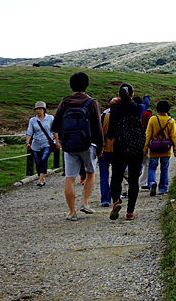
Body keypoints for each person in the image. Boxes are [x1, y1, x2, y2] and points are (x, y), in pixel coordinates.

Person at [50, 72, 104, 221]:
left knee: (70, 178)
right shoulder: (91, 103)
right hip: (88, 145)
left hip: (69, 146)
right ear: (86, 85)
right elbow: (98, 128)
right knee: (90, 173)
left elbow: (54, 125)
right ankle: (85, 203)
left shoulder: (65, 102)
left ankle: (71, 211)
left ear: (71, 85)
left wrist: (64, 136)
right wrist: (100, 147)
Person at [107, 83, 145, 221]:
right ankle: (130, 212)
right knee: (134, 179)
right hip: (136, 148)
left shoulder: (115, 109)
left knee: (116, 176)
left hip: (120, 147)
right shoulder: (138, 108)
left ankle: (116, 200)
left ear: (118, 95)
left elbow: (110, 134)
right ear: (132, 94)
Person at [144, 100, 176, 196]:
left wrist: (145, 148)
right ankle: (163, 188)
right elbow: (173, 136)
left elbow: (148, 135)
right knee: (164, 168)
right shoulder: (171, 121)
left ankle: (151, 183)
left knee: (152, 167)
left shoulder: (152, 119)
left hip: (154, 149)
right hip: (166, 149)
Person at [25, 101, 56, 187]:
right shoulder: (32, 120)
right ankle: (41, 175)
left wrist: (57, 141)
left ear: (44, 110)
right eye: (36, 109)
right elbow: (29, 132)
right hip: (36, 144)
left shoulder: (50, 118)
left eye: (40, 109)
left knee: (43, 159)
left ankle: (41, 179)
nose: (38, 111)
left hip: (47, 143)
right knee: (38, 162)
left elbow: (54, 130)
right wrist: (28, 142)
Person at [98, 97, 119, 207]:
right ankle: (115, 196)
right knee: (116, 175)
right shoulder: (121, 117)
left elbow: (99, 133)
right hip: (117, 149)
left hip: (104, 148)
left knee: (104, 175)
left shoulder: (103, 116)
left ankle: (105, 199)